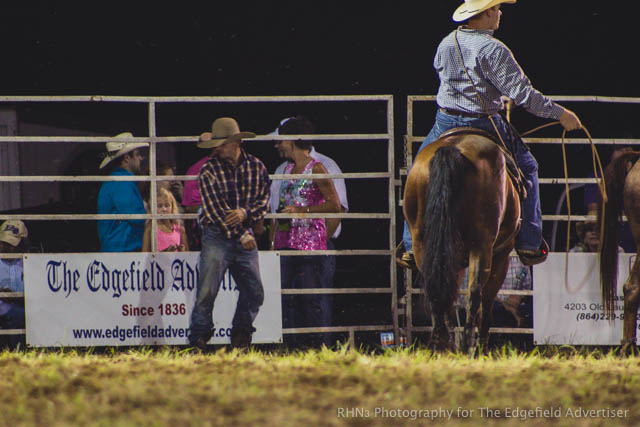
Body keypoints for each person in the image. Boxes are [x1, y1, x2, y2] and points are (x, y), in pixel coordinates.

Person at [401, 0, 583, 268]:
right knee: (528, 166)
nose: (499, 14)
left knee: (418, 170)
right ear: (486, 13)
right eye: (497, 9)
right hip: (484, 122)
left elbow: (441, 73)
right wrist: (560, 114)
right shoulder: (494, 49)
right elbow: (524, 95)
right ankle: (530, 241)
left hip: (445, 121)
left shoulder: (446, 43)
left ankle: (409, 243)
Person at [188, 117, 270, 350]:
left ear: (236, 143)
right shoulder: (209, 170)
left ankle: (240, 334)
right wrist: (243, 232)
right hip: (219, 235)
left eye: (222, 144)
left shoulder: (256, 167)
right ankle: (200, 338)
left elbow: (263, 201)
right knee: (207, 292)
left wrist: (244, 213)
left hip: (229, 236)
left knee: (254, 292)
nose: (218, 149)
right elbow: (214, 210)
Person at [269, 116, 341, 348]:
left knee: (311, 297)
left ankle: (315, 345)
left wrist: (304, 210)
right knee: (287, 298)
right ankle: (291, 345)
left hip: (310, 245)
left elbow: (334, 205)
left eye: (281, 141)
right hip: (285, 244)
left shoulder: (317, 168)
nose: (277, 145)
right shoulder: (287, 170)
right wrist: (272, 243)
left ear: (292, 141)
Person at [97, 132, 148, 252]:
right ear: (126, 158)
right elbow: (137, 217)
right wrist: (146, 208)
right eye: (137, 154)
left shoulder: (118, 181)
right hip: (122, 252)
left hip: (117, 250)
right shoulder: (121, 182)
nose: (140, 158)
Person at [0, 220, 29, 349]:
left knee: (20, 315)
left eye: (10, 244)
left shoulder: (30, 263)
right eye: (2, 243)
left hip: (21, 311)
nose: (5, 248)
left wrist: (15, 297)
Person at [142, 187, 189, 252]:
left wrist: (182, 250)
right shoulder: (151, 228)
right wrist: (165, 252)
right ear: (153, 208)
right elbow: (145, 254)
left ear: (172, 207)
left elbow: (188, 254)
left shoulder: (179, 228)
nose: (164, 209)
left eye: (167, 206)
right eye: (159, 206)